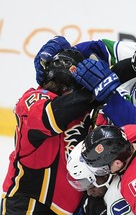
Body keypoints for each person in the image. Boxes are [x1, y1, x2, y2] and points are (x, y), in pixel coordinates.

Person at [0, 46, 121, 214]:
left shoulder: (87, 111)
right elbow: (56, 114)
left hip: (67, 210)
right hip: (28, 203)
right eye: (80, 82)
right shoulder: (34, 98)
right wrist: (95, 89)